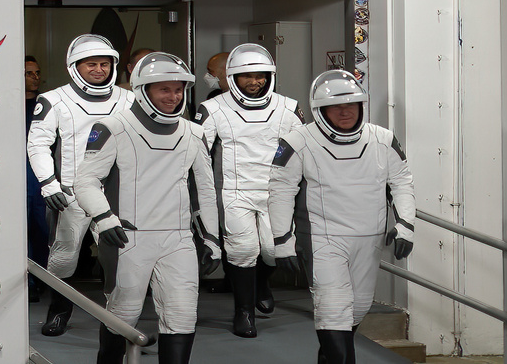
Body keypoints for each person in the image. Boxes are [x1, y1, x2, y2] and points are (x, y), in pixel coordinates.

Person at [74, 52, 221, 364]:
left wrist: (211, 237)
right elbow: (85, 181)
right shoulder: (112, 127)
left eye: (179, 89)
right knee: (122, 315)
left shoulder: (194, 132)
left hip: (179, 239)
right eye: (164, 89)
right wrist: (105, 219)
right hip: (128, 238)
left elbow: (205, 191)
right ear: (144, 90)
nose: (174, 96)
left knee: (182, 316)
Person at [268, 69, 416, 364]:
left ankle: (329, 356)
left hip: (369, 239)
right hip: (324, 239)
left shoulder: (382, 139)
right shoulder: (299, 141)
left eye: (352, 103)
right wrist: (283, 240)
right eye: (336, 105)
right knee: (333, 310)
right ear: (320, 109)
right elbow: (280, 190)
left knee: (357, 310)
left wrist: (405, 226)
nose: (345, 111)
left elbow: (401, 182)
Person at [194, 43, 305, 338]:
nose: (255, 82)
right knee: (243, 250)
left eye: (260, 76)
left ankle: (260, 283)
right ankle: (243, 312)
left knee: (272, 251)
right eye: (247, 77)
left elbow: (303, 150)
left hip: (276, 192)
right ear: (232, 78)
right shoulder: (213, 108)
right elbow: (196, 154)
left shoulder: (288, 107)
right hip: (234, 190)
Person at [27, 34, 134, 336]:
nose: (98, 70)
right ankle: (59, 310)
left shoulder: (130, 99)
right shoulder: (53, 100)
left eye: (104, 64)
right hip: (70, 194)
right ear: (75, 66)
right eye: (91, 64)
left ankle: (118, 319)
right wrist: (49, 184)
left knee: (118, 258)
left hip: (114, 193)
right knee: (62, 257)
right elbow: (38, 144)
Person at [25, 55, 49, 303]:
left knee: (42, 229)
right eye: (29, 73)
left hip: (40, 174)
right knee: (20, 230)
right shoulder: (8, 106)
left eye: (37, 73)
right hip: (16, 174)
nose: (35, 78)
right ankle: (28, 282)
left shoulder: (46, 104)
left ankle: (42, 279)